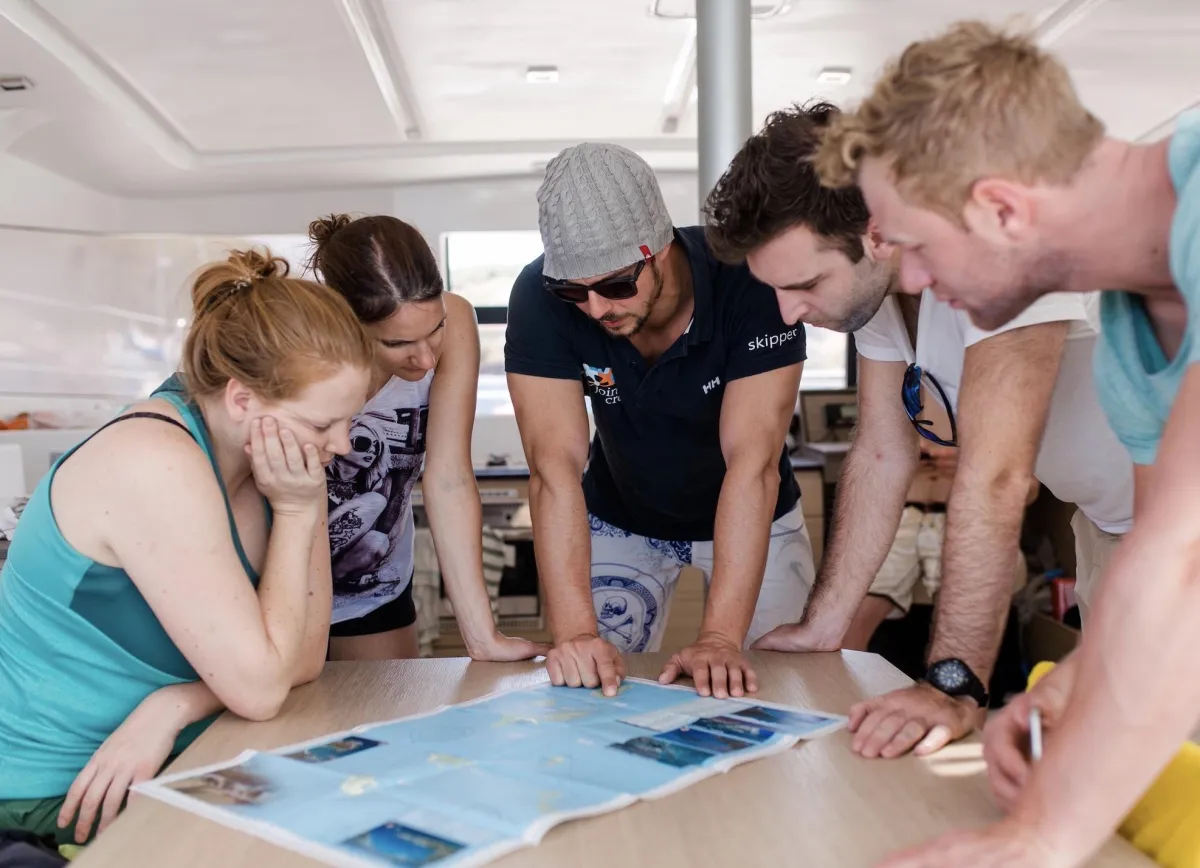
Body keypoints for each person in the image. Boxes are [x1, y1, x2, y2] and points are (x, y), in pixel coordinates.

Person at [813, 21, 1200, 867]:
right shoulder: (1137, 317)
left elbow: (1184, 565)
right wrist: (1080, 678)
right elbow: (1153, 547)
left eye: (913, 245)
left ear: (1000, 207)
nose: (909, 283)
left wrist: (1040, 837)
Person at [703, 103, 1133, 762]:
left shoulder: (996, 243)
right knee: (1136, 768)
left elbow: (996, 477)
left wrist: (951, 684)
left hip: (1180, 520)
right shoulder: (885, 282)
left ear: (877, 232)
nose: (790, 313)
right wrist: (825, 623)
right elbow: (880, 452)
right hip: (1114, 526)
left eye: (806, 284)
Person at [0, 249, 373, 844]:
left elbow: (301, 661)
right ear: (243, 399)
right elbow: (260, 688)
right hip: (56, 795)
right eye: (322, 424)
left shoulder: (280, 466)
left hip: (177, 757)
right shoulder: (152, 461)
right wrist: (300, 510)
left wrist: (176, 704)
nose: (344, 444)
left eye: (349, 420)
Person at [504, 142, 815, 700]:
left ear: (661, 246)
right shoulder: (538, 296)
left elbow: (754, 462)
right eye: (575, 291)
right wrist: (574, 633)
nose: (597, 308)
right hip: (622, 516)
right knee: (588, 684)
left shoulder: (747, 280)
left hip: (751, 512)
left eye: (618, 284)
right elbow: (554, 467)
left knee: (776, 690)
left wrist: (720, 637)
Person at [306, 214, 546, 663]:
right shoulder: (303, 342)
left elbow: (449, 479)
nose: (426, 357)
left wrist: (482, 637)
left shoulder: (456, 320)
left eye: (433, 329)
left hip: (375, 588)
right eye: (397, 343)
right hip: (281, 583)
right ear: (345, 322)